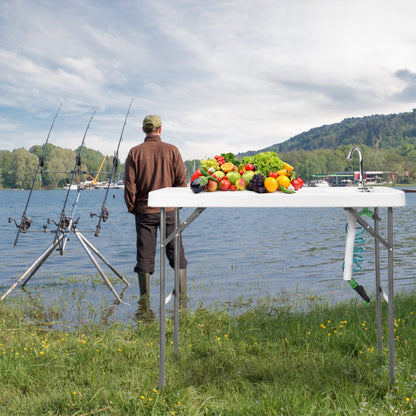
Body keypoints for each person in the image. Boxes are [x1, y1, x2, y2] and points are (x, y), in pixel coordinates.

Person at [124, 115, 188, 313]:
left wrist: (133, 207)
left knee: (144, 256)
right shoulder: (172, 150)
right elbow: (181, 182)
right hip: (169, 210)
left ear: (144, 129)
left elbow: (129, 186)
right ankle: (182, 302)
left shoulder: (134, 152)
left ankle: (144, 305)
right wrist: (177, 206)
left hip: (144, 211)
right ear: (160, 129)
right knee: (176, 254)